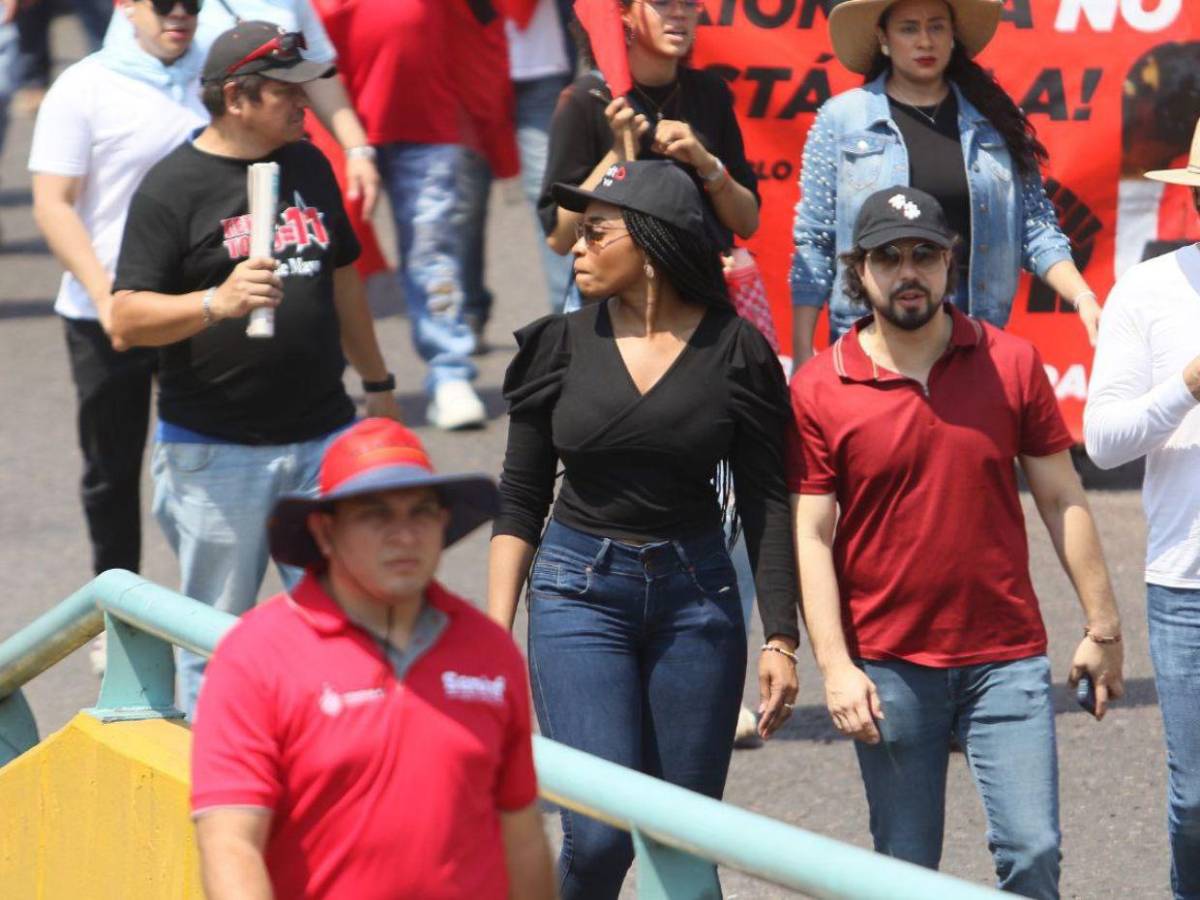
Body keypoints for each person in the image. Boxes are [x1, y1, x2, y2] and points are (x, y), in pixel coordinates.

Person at [790, 187, 1124, 898]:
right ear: (860, 271)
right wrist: (836, 666)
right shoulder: (822, 386)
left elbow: (1063, 497)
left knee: (1033, 855)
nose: (908, 272)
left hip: (1005, 655)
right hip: (888, 663)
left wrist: (1104, 625)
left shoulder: (1011, 362)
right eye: (888, 258)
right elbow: (811, 534)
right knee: (905, 872)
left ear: (950, 263)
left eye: (925, 255)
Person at [488, 159, 799, 898]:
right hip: (576, 593)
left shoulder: (738, 352)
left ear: (654, 244)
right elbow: (522, 494)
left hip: (698, 598)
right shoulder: (557, 345)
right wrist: (495, 631)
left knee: (683, 840)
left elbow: (768, 499)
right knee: (598, 838)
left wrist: (781, 637)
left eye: (597, 233)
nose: (577, 249)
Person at [109, 21, 398, 714]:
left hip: (324, 437)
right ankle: (219, 798)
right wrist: (216, 300)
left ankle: (348, 781)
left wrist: (379, 384)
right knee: (216, 642)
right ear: (236, 97)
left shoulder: (308, 164)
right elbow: (124, 320)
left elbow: (344, 281)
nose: (304, 106)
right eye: (286, 93)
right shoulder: (172, 187)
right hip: (216, 450)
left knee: (350, 628)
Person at [190, 417, 556, 900]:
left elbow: (522, 834)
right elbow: (231, 845)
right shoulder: (255, 656)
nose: (404, 535)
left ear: (444, 524)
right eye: (376, 515)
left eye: (421, 512)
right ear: (325, 532)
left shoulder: (489, 650)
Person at [790, 0, 1101, 365]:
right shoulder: (842, 118)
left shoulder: (995, 120)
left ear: (953, 36)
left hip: (973, 336)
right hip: (869, 339)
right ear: (883, 37)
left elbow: (1035, 226)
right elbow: (815, 238)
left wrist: (1084, 297)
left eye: (936, 26)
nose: (925, 41)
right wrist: (801, 352)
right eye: (909, 28)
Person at [29, 0, 205, 584]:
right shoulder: (84, 87)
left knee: (210, 464)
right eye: (165, 3)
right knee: (112, 470)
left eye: (195, 3)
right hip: (103, 312)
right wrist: (106, 297)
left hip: (201, 310)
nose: (181, 14)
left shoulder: (220, 77)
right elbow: (53, 203)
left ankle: (208, 613)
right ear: (127, 5)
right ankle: (116, 611)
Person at [1084, 119, 1200, 900]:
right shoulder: (1152, 290)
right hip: (1187, 587)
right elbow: (1102, 443)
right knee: (1196, 805)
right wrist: (1187, 385)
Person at [308, 0, 486, 430]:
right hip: (336, 134)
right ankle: (319, 379)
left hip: (427, 125)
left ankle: (449, 371)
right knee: (324, 255)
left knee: (433, 252)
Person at [541, 0, 760, 311]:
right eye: (661, 2)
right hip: (613, 316)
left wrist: (705, 163)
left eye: (689, 3)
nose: (679, 13)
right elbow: (559, 238)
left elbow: (748, 222)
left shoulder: (710, 93)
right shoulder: (584, 101)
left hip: (701, 309)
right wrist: (617, 153)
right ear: (624, 13)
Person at [103, 0, 381, 217]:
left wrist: (357, 150)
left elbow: (317, 74)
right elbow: (126, 78)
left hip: (266, 158)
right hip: (193, 160)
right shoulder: (148, 12)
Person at [507, 0, 575, 312]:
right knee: (462, 200)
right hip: (462, 67)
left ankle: (568, 315)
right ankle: (468, 308)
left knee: (548, 190)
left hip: (539, 65)